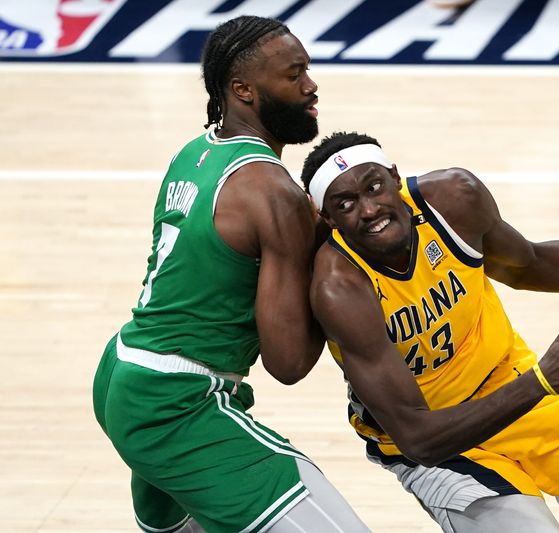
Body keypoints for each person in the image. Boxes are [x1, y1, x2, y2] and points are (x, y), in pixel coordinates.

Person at [299, 131, 559, 533]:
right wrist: (542, 381)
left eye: (374, 186)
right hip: (443, 444)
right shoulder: (340, 287)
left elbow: (525, 264)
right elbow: (418, 438)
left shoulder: (453, 200)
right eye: (346, 203)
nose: (369, 209)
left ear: (395, 177)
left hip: (513, 385)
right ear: (329, 219)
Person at [92, 17, 370, 533]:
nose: (310, 85)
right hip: (177, 401)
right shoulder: (274, 193)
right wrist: (333, 257)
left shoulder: (194, 152)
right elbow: (287, 363)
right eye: (293, 75)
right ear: (242, 89)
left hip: (124, 371)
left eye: (307, 69)